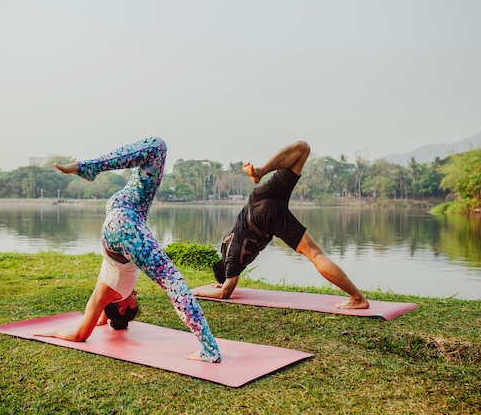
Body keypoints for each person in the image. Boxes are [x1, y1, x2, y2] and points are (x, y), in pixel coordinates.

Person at [38, 137, 222, 363]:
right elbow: (99, 319)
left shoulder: (108, 295)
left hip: (125, 222)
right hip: (129, 215)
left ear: (123, 308)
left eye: (134, 303)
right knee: (157, 148)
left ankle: (209, 349)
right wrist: (102, 317)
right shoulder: (105, 298)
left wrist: (51, 333)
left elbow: (80, 334)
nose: (136, 295)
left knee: (171, 278)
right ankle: (88, 167)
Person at [192, 141, 369, 310]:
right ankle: (260, 172)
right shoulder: (226, 247)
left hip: (264, 216)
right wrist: (220, 282)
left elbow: (225, 292)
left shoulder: (232, 261)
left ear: (227, 270)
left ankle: (357, 298)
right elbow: (225, 280)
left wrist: (196, 291)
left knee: (315, 255)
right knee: (302, 148)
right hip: (258, 199)